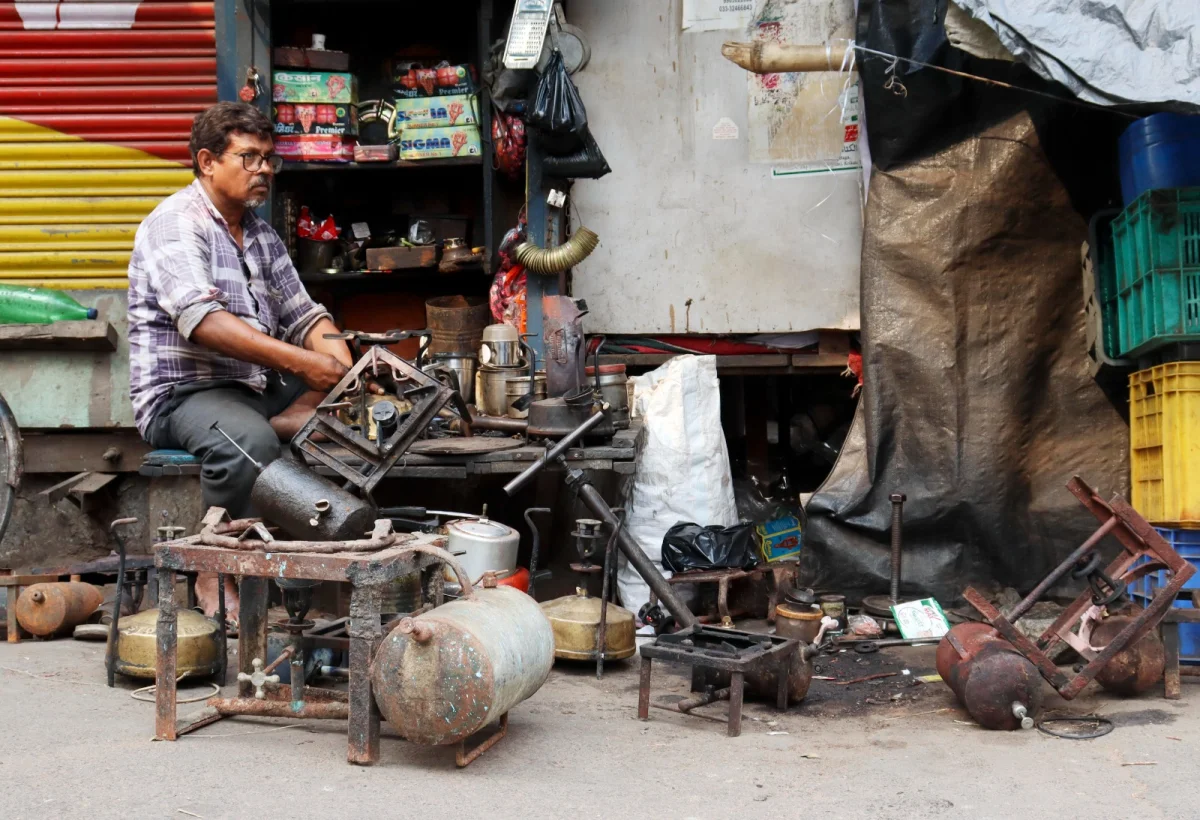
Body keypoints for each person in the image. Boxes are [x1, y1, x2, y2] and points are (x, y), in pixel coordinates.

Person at [127, 102, 371, 617]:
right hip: (183, 395)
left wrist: (337, 362)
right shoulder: (175, 223)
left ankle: (284, 419)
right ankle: (214, 569)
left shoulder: (261, 235)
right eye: (249, 158)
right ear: (207, 161)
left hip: (249, 389)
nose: (263, 170)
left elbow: (304, 313)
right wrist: (307, 367)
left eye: (268, 160)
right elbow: (205, 321)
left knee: (354, 391)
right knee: (251, 442)